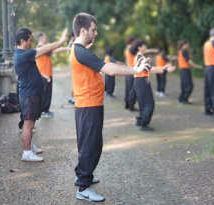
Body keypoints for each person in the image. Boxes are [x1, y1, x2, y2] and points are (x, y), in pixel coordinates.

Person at [71, 13, 150, 202]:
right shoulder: (81, 52)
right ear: (83, 30)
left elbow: (106, 65)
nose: (96, 33)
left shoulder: (79, 49)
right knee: (91, 145)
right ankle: (83, 186)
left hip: (90, 104)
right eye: (93, 29)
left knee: (89, 144)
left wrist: (129, 67)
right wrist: (136, 70)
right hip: (88, 104)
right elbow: (110, 70)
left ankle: (82, 175)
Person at [14, 27, 67, 162]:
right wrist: (61, 40)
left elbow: (31, 70)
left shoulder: (24, 54)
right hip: (29, 95)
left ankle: (29, 146)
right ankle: (26, 152)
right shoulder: (23, 54)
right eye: (30, 40)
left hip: (32, 94)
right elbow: (47, 48)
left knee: (31, 123)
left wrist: (42, 75)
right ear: (22, 41)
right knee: (28, 124)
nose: (31, 42)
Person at [133, 39, 175, 131]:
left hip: (140, 81)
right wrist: (166, 70)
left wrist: (163, 67)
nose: (146, 47)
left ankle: (140, 121)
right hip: (141, 81)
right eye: (144, 46)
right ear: (139, 47)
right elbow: (150, 70)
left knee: (143, 103)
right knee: (149, 103)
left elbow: (148, 69)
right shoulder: (141, 58)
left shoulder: (139, 56)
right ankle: (143, 124)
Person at [36, 32, 70, 118]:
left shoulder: (43, 49)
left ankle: (45, 110)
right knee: (45, 94)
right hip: (44, 75)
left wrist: (67, 48)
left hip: (47, 74)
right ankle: (43, 111)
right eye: (45, 39)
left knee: (47, 94)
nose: (46, 40)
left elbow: (56, 50)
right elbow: (56, 48)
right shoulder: (41, 48)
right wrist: (63, 38)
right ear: (40, 39)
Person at [178, 40, 203, 104]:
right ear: (185, 44)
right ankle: (185, 99)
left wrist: (189, 51)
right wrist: (197, 66)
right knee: (190, 86)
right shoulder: (184, 52)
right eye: (188, 44)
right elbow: (189, 61)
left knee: (184, 85)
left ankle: (181, 98)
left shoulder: (180, 51)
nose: (188, 45)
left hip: (182, 70)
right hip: (185, 70)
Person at [124, 36, 139, 111]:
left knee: (128, 88)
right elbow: (139, 53)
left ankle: (127, 104)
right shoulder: (131, 49)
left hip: (128, 69)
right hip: (132, 70)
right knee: (132, 89)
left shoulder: (127, 49)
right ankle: (131, 106)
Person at [67, 32, 76, 104]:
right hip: (73, 64)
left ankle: (71, 97)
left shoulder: (70, 44)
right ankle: (73, 97)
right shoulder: (71, 45)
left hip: (71, 64)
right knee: (74, 82)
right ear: (72, 37)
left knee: (73, 81)